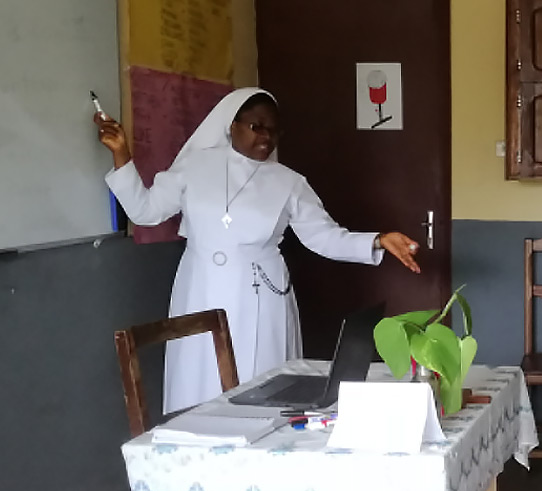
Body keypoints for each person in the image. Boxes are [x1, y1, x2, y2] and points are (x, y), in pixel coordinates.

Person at [96, 87, 422, 413]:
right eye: (257, 126)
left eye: (274, 129)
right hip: (200, 288)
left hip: (262, 295)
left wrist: (377, 239)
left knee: (263, 384)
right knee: (200, 380)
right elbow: (145, 212)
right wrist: (121, 154)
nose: (266, 136)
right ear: (232, 125)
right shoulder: (195, 166)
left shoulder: (290, 182)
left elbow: (324, 237)